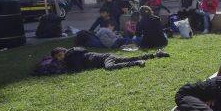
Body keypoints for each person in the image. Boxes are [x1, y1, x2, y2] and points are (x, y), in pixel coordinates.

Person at [33, 46, 168, 75]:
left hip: (103, 59)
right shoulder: (75, 50)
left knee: (109, 67)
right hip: (105, 56)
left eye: (58, 56)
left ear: (61, 53)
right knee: (130, 56)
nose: (60, 58)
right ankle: (155, 55)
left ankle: (137, 63)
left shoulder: (70, 56)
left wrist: (67, 68)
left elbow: (78, 68)